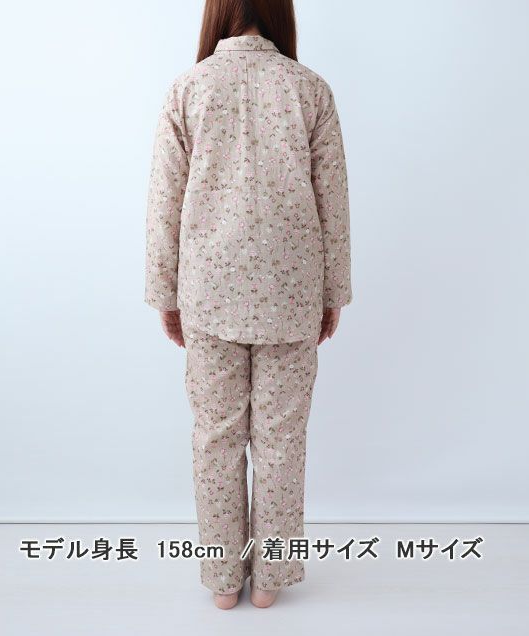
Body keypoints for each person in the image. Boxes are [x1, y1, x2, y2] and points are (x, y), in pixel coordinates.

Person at [145, 0, 352, 610]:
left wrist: (165, 293)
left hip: (208, 291)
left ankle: (222, 580)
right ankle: (270, 580)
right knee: (282, 441)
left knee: (216, 440)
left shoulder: (188, 89)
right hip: (292, 293)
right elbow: (333, 202)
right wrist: (334, 291)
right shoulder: (309, 90)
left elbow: (164, 203)